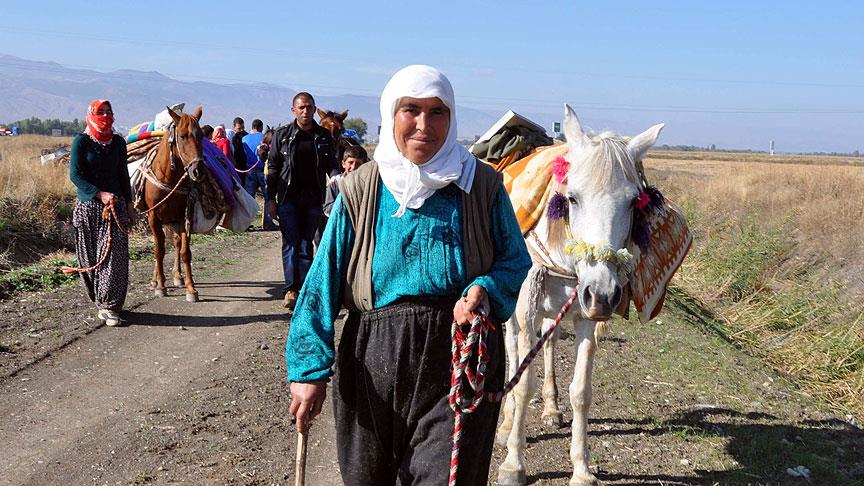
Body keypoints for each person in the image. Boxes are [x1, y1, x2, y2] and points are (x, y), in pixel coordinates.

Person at [285, 65, 531, 485]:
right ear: (391, 113)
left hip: (459, 354)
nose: (424, 125)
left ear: (451, 117)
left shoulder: (482, 185)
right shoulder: (361, 189)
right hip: (372, 356)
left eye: (437, 112)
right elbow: (321, 280)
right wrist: (308, 370)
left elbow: (514, 260)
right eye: (411, 110)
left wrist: (485, 289)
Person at [266, 92, 338, 309]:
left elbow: (332, 166)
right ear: (294, 110)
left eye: (309, 107)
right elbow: (273, 167)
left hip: (314, 199)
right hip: (288, 198)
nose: (306, 111)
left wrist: (339, 180)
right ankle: (291, 289)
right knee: (290, 242)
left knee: (306, 244)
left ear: (315, 110)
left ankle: (304, 289)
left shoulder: (323, 136)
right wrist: (270, 199)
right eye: (301, 107)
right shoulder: (282, 135)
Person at [69, 99, 136, 327]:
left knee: (114, 258)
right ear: (91, 114)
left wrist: (129, 205)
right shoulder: (81, 142)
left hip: (115, 207)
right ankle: (100, 300)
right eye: (100, 111)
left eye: (109, 111)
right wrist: (98, 193)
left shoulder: (118, 142)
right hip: (88, 208)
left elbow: (123, 175)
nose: (105, 115)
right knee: (90, 259)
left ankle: (110, 306)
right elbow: (75, 175)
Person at [242, 119, 274, 229]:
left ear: (252, 126)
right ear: (261, 127)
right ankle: (267, 222)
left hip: (249, 170)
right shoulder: (264, 137)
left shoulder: (244, 139)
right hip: (263, 170)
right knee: (267, 196)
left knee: (248, 197)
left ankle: (246, 223)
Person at [323, 144, 367, 218]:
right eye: (350, 162)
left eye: (358, 164)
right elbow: (327, 209)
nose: (353, 167)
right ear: (343, 164)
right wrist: (347, 203)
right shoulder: (335, 182)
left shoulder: (367, 184)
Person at [231, 117, 248, 185]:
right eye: (239, 128)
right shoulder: (234, 138)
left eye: (243, 128)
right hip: (237, 164)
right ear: (234, 127)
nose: (241, 130)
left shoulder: (247, 136)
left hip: (247, 164)